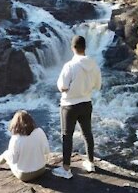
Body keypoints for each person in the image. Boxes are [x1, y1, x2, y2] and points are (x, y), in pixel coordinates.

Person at [52, 35, 101, 179]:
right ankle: (90, 163)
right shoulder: (93, 64)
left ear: (72, 48)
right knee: (87, 133)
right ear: (85, 47)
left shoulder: (69, 65)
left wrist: (70, 88)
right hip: (86, 103)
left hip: (69, 105)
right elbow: (97, 85)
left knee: (67, 136)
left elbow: (62, 87)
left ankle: (66, 169)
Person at [0, 110, 50, 182]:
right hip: (41, 169)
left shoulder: (16, 138)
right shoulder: (39, 131)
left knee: (6, 154)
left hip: (25, 175)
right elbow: (46, 150)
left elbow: (13, 160)